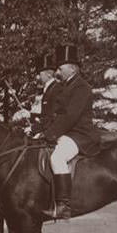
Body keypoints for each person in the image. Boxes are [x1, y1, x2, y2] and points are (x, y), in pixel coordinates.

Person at [36, 44, 100, 220]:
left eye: (60, 67)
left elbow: (70, 116)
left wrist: (50, 134)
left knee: (57, 157)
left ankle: (64, 205)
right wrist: (43, 131)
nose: (57, 71)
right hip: (67, 133)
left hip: (80, 134)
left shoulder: (82, 87)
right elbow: (55, 115)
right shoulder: (66, 86)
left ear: (72, 67)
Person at [31, 54, 61, 137]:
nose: (37, 77)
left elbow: (53, 116)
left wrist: (35, 129)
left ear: (48, 75)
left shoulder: (56, 89)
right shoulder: (48, 89)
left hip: (52, 133)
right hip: (45, 129)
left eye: (40, 74)